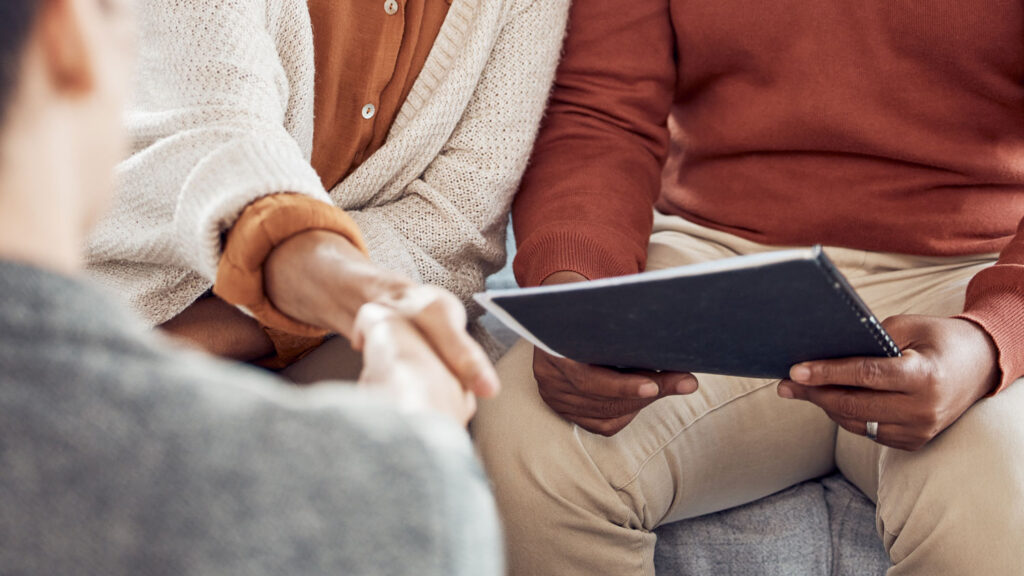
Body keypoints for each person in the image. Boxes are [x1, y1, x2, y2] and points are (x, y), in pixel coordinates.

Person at [472, 1, 1024, 575]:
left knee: (997, 482)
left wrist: (995, 336)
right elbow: (601, 113)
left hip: (973, 275)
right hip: (719, 254)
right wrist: (579, 302)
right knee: (527, 444)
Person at [0, 0, 502, 573]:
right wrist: (416, 454)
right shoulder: (394, 496)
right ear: (68, 38)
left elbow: (455, 229)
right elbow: (218, 131)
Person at [84, 0, 570, 385]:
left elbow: (454, 235)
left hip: (325, 328)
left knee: (415, 429)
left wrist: (220, 337)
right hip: (124, 304)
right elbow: (221, 144)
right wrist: (356, 292)